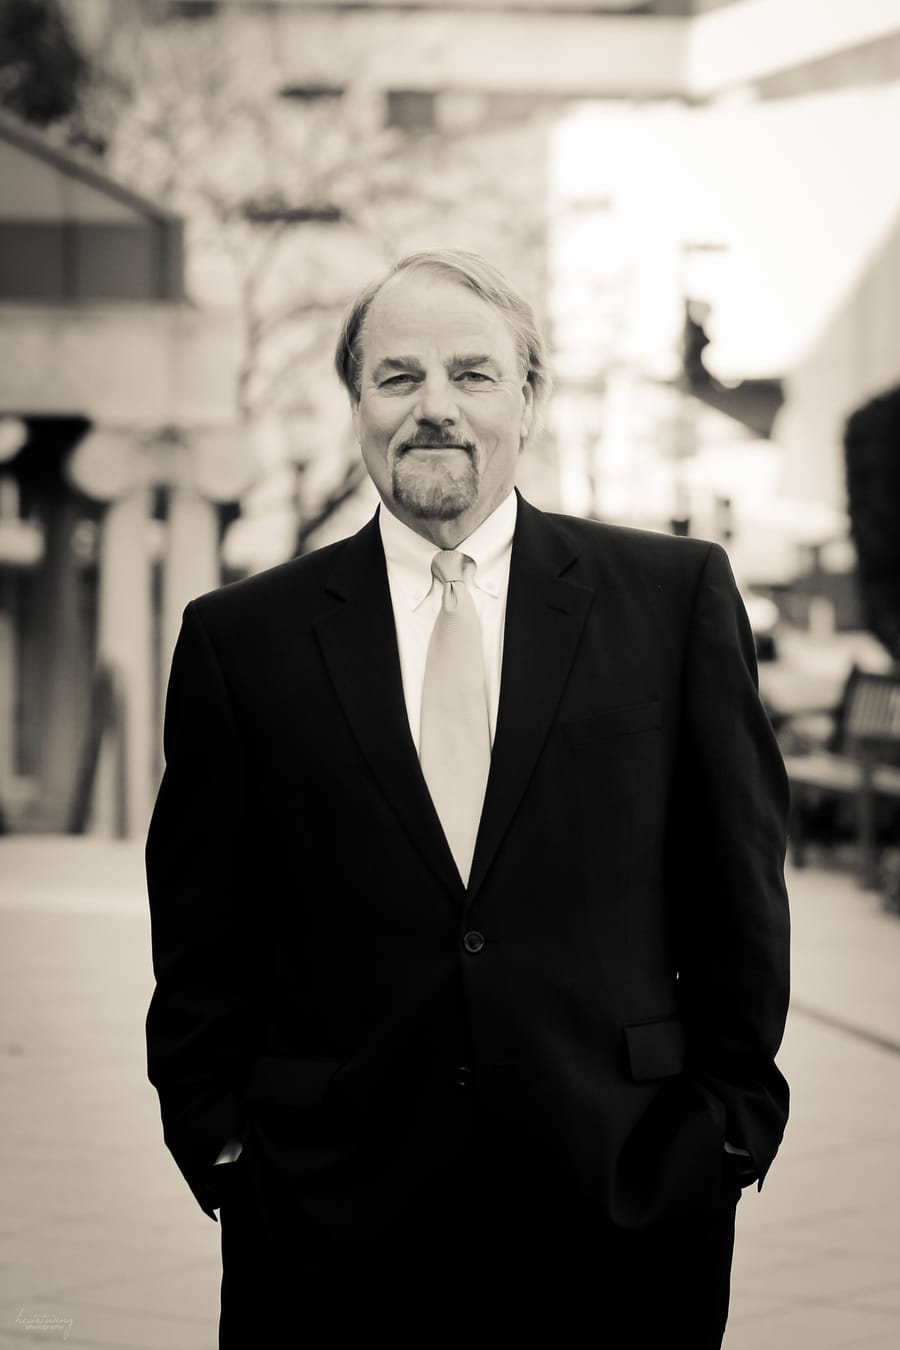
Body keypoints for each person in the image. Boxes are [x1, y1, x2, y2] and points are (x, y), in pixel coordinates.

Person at [146, 249, 790, 1348]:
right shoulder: (239, 640)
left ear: (529, 400)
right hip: (324, 1227)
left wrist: (725, 1134)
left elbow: (735, 889)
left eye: (472, 375)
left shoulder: (672, 600)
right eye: (396, 377)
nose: (433, 407)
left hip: (622, 1208)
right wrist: (221, 1142)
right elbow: (204, 935)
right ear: (356, 403)